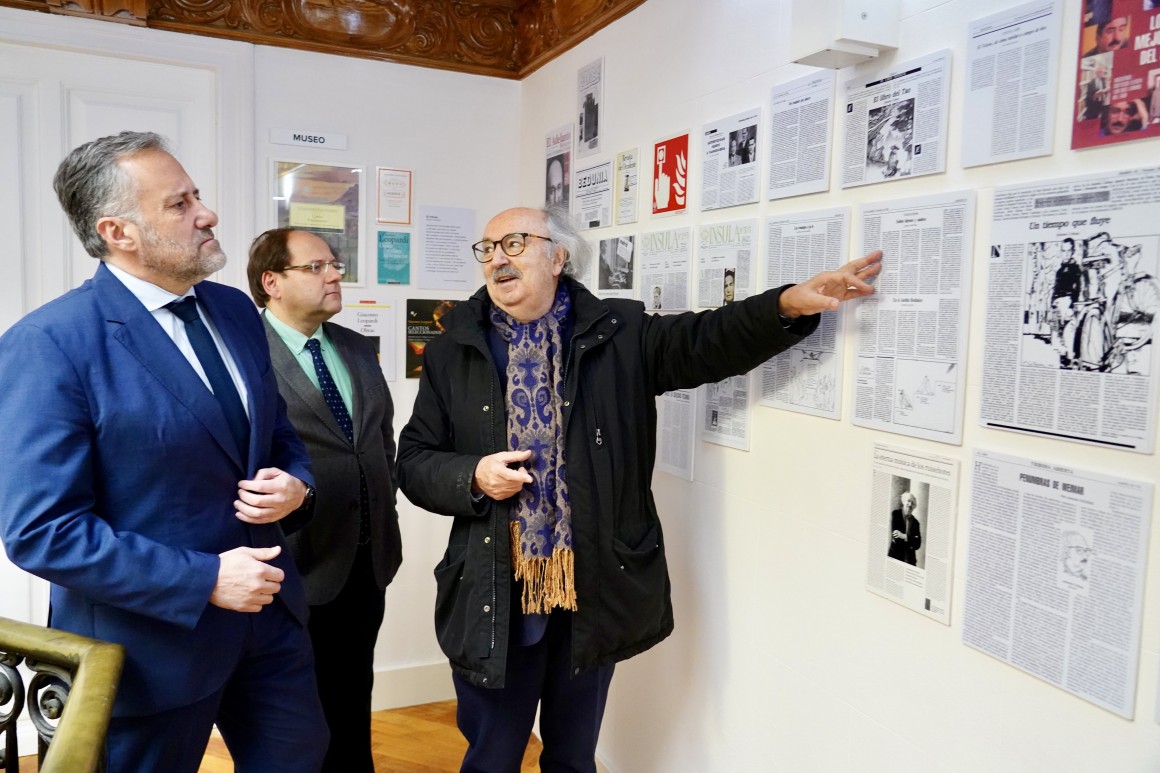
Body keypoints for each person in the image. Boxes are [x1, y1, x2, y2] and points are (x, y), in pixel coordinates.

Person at [395, 205, 882, 771]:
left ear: (558, 257)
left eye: (514, 242)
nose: (498, 258)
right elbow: (415, 460)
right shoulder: (455, 348)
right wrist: (473, 476)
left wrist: (786, 305)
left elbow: (706, 339)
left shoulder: (618, 334)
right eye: (487, 248)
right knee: (493, 756)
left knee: (574, 756)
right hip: (495, 589)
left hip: (594, 587)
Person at [0, 132, 325, 772]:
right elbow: (42, 532)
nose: (207, 213)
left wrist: (297, 485)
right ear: (118, 231)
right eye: (180, 203)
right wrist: (204, 580)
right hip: (148, 650)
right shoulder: (49, 343)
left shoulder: (234, 311)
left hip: (271, 628)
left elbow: (280, 437)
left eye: (196, 195)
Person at [247, 228, 403, 772]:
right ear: (273, 282)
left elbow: (378, 440)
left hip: (366, 558)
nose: (335, 275)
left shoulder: (355, 346)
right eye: (316, 267)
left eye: (334, 264)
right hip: (292, 564)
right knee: (293, 717)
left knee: (352, 696)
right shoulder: (246, 354)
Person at [1051, 238, 1083, 366]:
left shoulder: (1076, 269)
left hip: (1068, 303)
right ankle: (1063, 358)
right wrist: (1052, 304)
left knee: (1068, 333)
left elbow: (1077, 289)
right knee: (1056, 336)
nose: (1066, 254)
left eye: (1068, 251)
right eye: (1063, 251)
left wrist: (1071, 304)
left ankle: (1069, 359)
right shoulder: (1059, 270)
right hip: (1057, 305)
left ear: (1073, 251)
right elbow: (1055, 289)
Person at [888, 491, 921, 566]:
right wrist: (912, 540)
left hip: (910, 560)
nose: (910, 504)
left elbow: (918, 544)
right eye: (908, 501)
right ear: (903, 501)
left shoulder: (916, 523)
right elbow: (897, 540)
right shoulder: (896, 514)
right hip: (896, 556)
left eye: (912, 503)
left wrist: (904, 536)